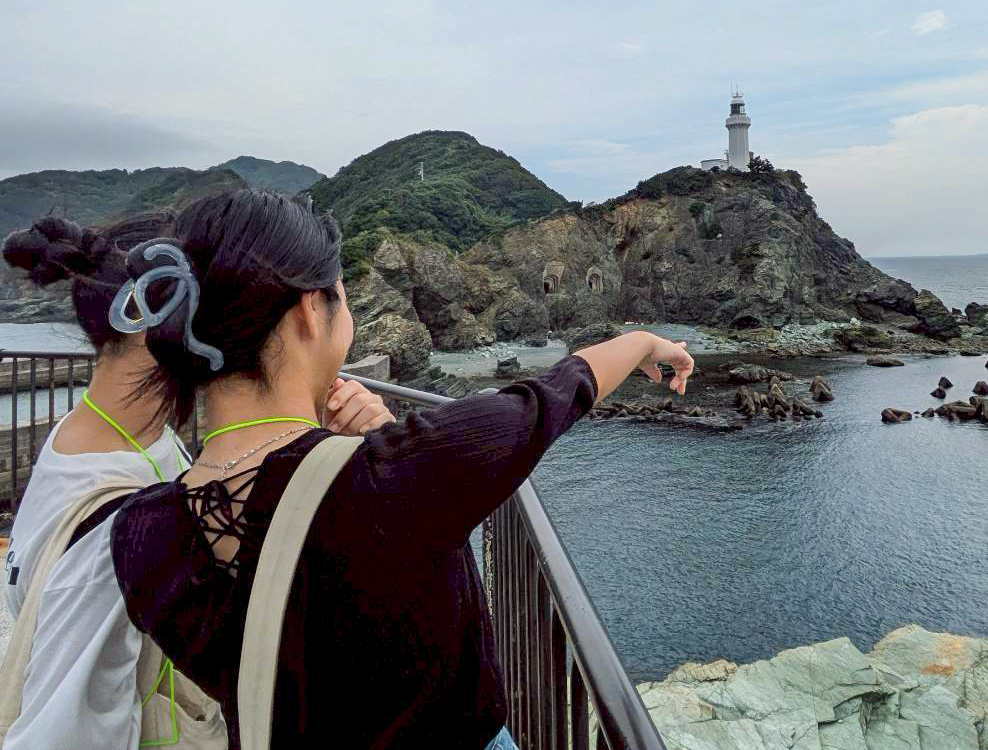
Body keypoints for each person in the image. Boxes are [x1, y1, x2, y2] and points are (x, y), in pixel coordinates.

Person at [109, 188, 694, 749]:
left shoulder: (139, 533)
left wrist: (337, 448)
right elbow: (556, 393)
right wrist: (644, 342)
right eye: (342, 298)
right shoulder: (400, 476)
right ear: (310, 310)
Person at [1, 214, 392, 750]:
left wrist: (316, 437)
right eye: (217, 302)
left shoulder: (106, 439)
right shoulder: (109, 533)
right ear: (153, 316)